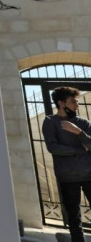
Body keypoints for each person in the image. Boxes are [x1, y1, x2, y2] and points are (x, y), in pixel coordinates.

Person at [42, 86, 91, 242]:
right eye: (73, 102)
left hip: (89, 174)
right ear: (61, 103)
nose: (77, 105)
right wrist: (80, 149)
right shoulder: (50, 122)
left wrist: (78, 132)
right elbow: (53, 148)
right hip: (67, 177)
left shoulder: (83, 123)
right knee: (74, 218)